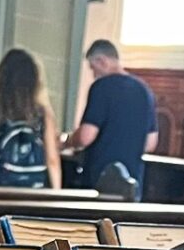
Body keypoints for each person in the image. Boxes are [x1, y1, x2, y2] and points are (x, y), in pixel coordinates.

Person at [67, 40, 157, 198]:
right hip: (133, 182)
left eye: (93, 69)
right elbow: (150, 143)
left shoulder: (102, 87)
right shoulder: (144, 90)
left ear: (102, 61)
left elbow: (85, 137)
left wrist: (67, 141)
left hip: (99, 180)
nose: (94, 75)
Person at [0, 48, 63, 189]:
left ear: (0, 78)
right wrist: (57, 194)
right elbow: (52, 160)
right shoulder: (44, 114)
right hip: (34, 190)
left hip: (0, 189)